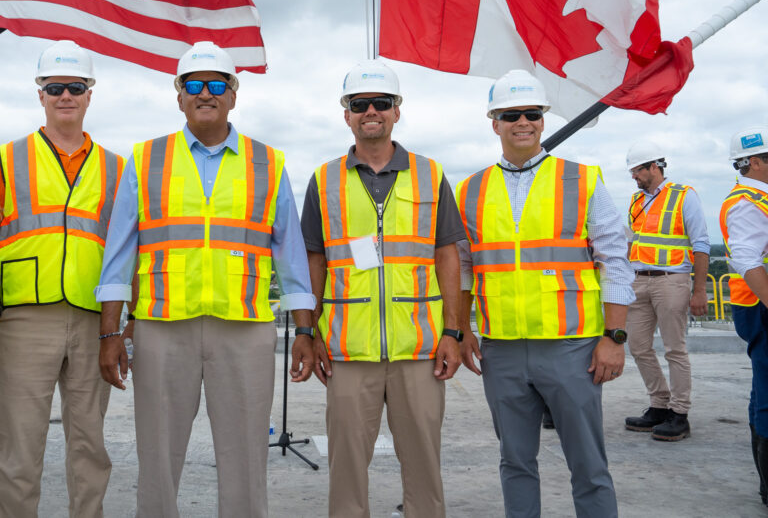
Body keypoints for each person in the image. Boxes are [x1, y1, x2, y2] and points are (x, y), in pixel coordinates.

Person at [94, 41, 316, 518]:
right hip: (161, 328)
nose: (206, 93)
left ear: (234, 95)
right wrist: (111, 332)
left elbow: (291, 256)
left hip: (243, 328)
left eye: (218, 84)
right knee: (156, 456)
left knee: (245, 459)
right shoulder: (146, 158)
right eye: (194, 84)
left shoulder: (268, 162)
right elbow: (118, 254)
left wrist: (304, 329)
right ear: (179, 96)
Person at [455, 69, 634, 518]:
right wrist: (460, 329)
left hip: (572, 349)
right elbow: (461, 267)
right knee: (515, 462)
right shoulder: (469, 190)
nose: (523, 122)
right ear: (494, 121)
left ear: (543, 119)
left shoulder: (582, 179)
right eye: (511, 114)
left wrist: (614, 337)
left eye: (532, 113)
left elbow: (615, 259)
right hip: (503, 350)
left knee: (589, 465)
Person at [301, 60, 463, 518]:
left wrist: (452, 332)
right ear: (346, 113)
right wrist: (309, 332)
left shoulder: (431, 175)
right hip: (348, 352)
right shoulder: (323, 179)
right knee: (347, 468)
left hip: (420, 350)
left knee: (425, 467)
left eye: (381, 103)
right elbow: (314, 258)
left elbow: (447, 254)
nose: (371, 111)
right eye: (360, 104)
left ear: (396, 111)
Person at [0, 40, 124, 518]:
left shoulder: (116, 168)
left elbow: (123, 256)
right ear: (40, 94)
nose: (66, 95)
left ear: (90, 94)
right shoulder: (6, 158)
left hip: (91, 321)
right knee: (19, 448)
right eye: (56, 87)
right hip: (22, 322)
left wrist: (114, 329)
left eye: (76, 87)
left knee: (90, 447)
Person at [622, 140, 710, 441]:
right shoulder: (635, 200)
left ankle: (679, 412)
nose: (634, 176)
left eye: (637, 171)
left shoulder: (685, 196)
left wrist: (700, 290)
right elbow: (632, 242)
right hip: (638, 280)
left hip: (672, 281)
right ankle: (659, 404)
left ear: (654, 167)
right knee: (638, 346)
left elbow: (700, 245)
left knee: (675, 349)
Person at [719, 125, 768, 505]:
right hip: (760, 306)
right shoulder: (746, 201)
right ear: (755, 161)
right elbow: (747, 259)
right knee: (767, 390)